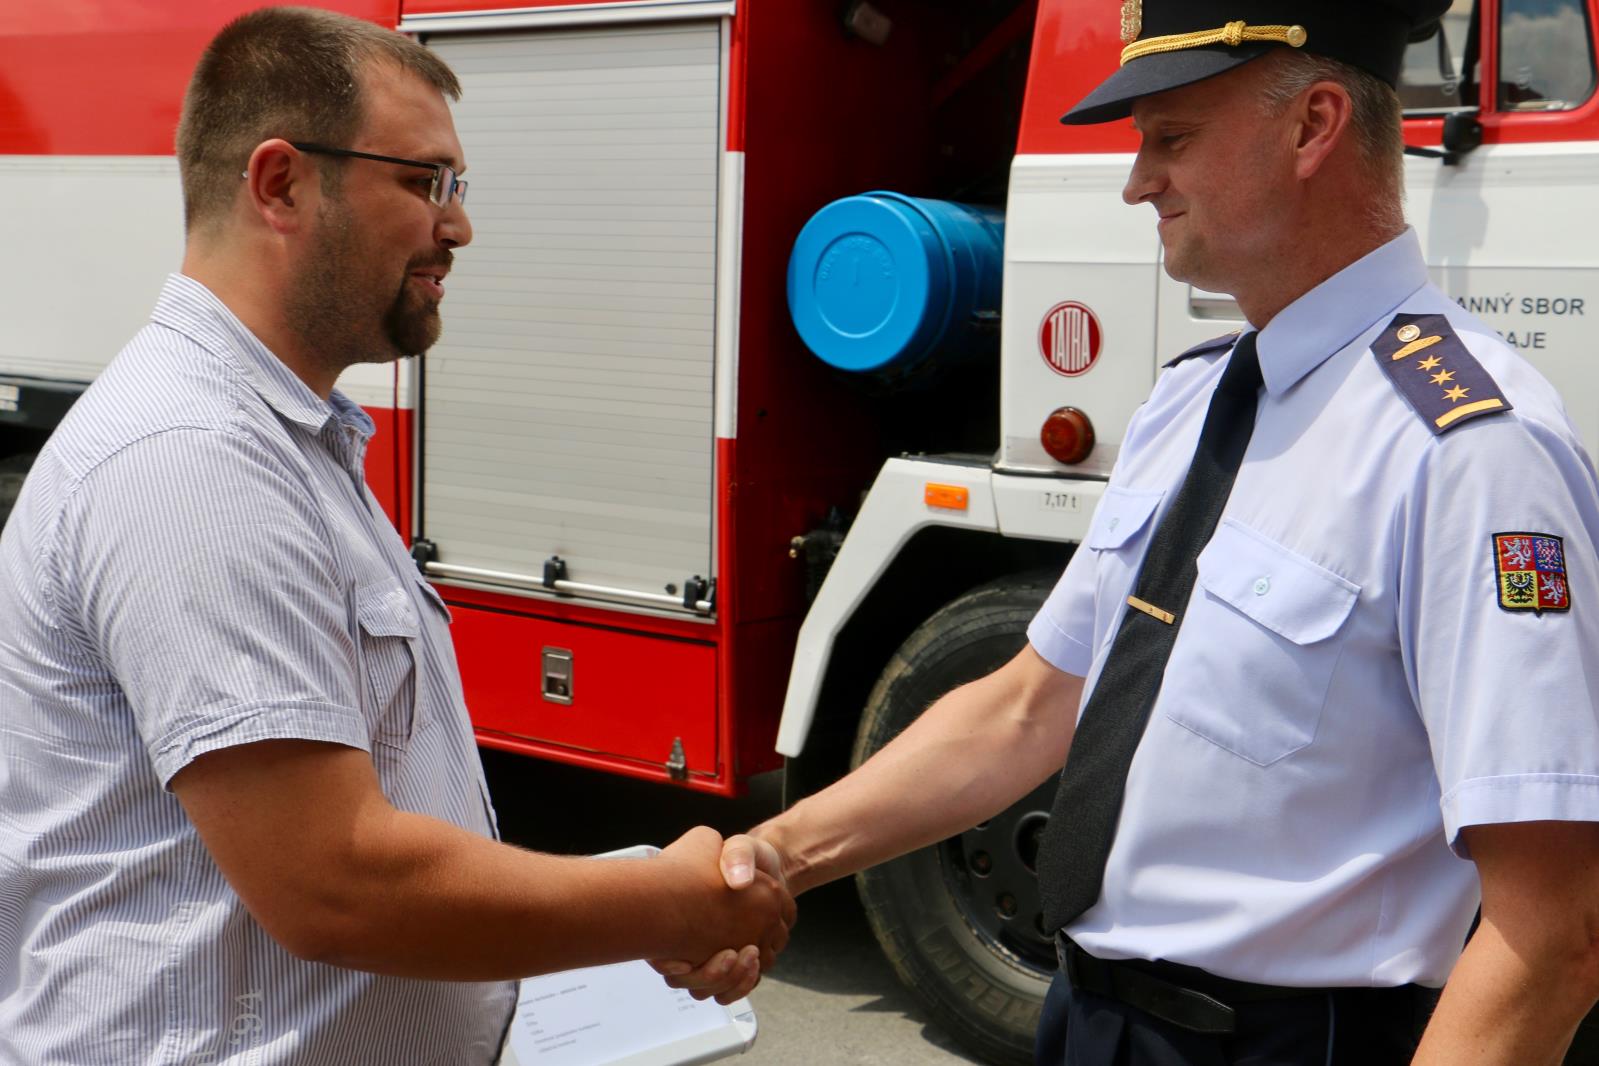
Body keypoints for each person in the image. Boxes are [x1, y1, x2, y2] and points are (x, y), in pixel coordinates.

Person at [660, 1, 1599, 1063]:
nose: (1137, 181)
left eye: (1173, 137)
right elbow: (1028, 709)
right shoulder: (1194, 401)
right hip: (1093, 1021)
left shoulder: (1472, 450)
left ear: (1314, 126)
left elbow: (1551, 932)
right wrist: (770, 857)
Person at [0, 8, 789, 1064]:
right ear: (280, 185)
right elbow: (335, 878)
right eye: (425, 183)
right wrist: (658, 906)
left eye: (454, 188)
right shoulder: (191, 460)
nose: (457, 229)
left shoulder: (290, 436)